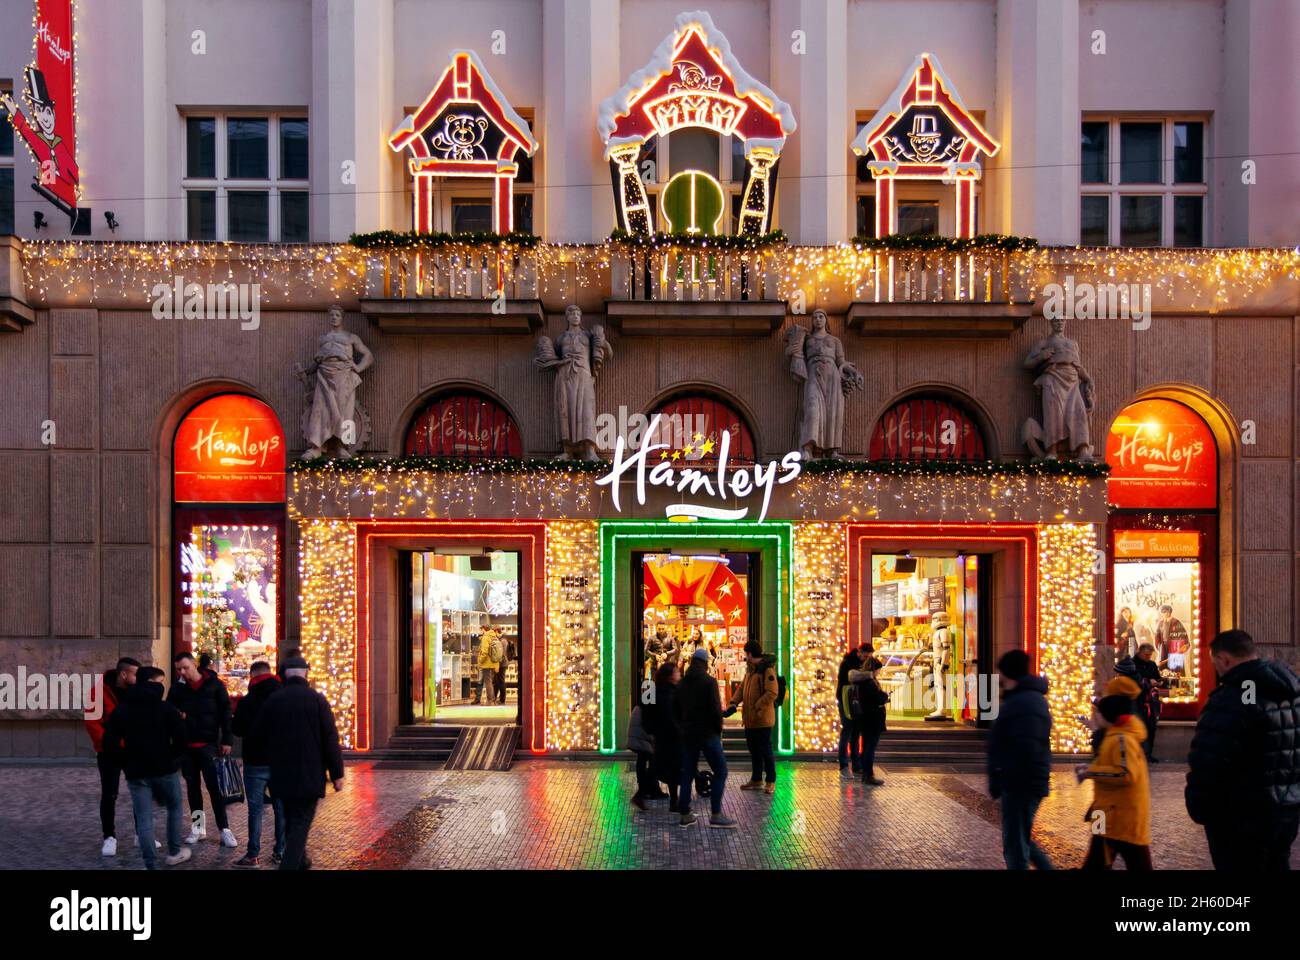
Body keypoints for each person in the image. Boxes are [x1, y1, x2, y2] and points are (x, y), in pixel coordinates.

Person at [1186, 629, 1300, 871]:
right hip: (1286, 810)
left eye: (1215, 662)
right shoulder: (1292, 694)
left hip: (1240, 815)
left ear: (1224, 659)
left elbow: (1210, 760)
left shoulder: (1232, 697)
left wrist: (1199, 805)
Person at [253, 655, 345, 870]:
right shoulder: (317, 699)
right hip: (309, 774)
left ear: (284, 674)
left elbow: (257, 735)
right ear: (306, 673)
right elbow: (330, 738)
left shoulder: (274, 700)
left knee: (292, 820)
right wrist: (337, 774)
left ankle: (301, 862)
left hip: (281, 774)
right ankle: (290, 865)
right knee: (301, 824)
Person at [103, 667, 191, 869]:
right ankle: (174, 851)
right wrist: (174, 759)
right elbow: (181, 738)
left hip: (136, 771)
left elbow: (110, 742)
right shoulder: (165, 708)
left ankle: (150, 864)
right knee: (175, 807)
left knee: (144, 819)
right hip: (164, 767)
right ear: (153, 683)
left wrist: (124, 761)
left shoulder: (123, 709)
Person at [987, 649, 1055, 870]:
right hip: (1020, 782)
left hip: (1021, 783)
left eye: (1001, 672)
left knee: (1016, 846)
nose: (999, 677)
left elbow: (1026, 747)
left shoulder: (1026, 702)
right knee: (1020, 840)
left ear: (1009, 673)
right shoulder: (1023, 699)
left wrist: (1004, 775)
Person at [1075, 681, 1152, 870]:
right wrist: (1091, 768)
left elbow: (1125, 773)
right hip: (1105, 814)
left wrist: (1090, 772)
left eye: (1098, 713)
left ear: (1107, 716)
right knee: (1097, 862)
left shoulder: (1121, 739)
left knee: (1136, 862)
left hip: (1121, 817)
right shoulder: (1113, 736)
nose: (1096, 716)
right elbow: (1108, 764)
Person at [167, 651, 237, 847]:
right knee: (193, 789)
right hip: (187, 747)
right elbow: (168, 711)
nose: (182, 672)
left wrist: (227, 740)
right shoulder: (177, 689)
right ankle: (198, 828)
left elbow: (226, 713)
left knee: (215, 789)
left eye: (185, 668)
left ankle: (224, 829)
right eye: (179, 669)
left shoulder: (214, 685)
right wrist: (177, 716)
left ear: (194, 665)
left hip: (209, 745)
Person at [231, 661, 285, 867]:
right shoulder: (283, 697)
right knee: (281, 807)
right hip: (280, 760)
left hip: (255, 762)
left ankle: (253, 854)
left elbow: (237, 730)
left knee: (255, 809)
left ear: (253, 675)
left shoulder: (247, 701)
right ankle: (280, 851)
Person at [674, 648, 735, 829]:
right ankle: (715, 813)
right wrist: (718, 729)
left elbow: (676, 709)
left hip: (689, 734)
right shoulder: (709, 682)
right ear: (705, 663)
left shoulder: (682, 684)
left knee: (688, 773)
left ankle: (684, 813)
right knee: (721, 770)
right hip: (708, 733)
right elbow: (716, 708)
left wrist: (682, 728)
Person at [85, 656, 140, 857]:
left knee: (139, 792)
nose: (138, 678)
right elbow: (92, 722)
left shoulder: (138, 692)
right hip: (109, 753)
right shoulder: (98, 692)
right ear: (123, 674)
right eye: (135, 674)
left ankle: (141, 834)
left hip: (133, 750)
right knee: (110, 794)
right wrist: (108, 745)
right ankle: (109, 837)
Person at [725, 639, 779, 794]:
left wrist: (757, 705)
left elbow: (772, 692)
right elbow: (742, 688)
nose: (745, 656)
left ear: (749, 653)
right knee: (754, 750)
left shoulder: (767, 670)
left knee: (765, 751)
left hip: (762, 719)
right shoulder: (751, 670)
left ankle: (770, 781)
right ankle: (756, 779)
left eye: (745, 653)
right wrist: (734, 702)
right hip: (750, 720)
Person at [647, 660, 684, 813]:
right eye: (677, 672)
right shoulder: (665, 692)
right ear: (670, 675)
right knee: (667, 769)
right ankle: (676, 802)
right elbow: (669, 716)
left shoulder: (663, 690)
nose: (679, 674)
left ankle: (674, 802)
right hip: (668, 737)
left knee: (663, 768)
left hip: (664, 737)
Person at [848, 644, 888, 785]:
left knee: (866, 747)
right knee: (870, 748)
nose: (878, 673)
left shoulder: (861, 682)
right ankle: (868, 775)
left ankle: (866, 773)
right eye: (878, 671)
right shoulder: (870, 682)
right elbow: (877, 699)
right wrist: (885, 697)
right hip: (873, 720)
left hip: (864, 719)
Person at [836, 644, 863, 776]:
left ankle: (856, 765)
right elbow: (846, 680)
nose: (866, 658)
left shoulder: (857, 663)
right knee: (847, 731)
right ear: (859, 653)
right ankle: (844, 766)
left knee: (855, 733)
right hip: (846, 701)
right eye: (865, 655)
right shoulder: (848, 664)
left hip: (855, 702)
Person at [627, 694, 657, 811]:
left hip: (638, 737)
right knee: (654, 762)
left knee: (643, 760)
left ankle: (645, 790)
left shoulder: (641, 705)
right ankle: (644, 791)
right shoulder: (648, 708)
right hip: (642, 738)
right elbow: (649, 727)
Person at [474, 628, 501, 705]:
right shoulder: (494, 637)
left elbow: (485, 652)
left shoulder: (486, 637)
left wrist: (480, 661)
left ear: (484, 630)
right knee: (490, 682)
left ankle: (490, 700)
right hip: (493, 663)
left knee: (488, 682)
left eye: (481, 630)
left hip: (487, 663)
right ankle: (493, 700)